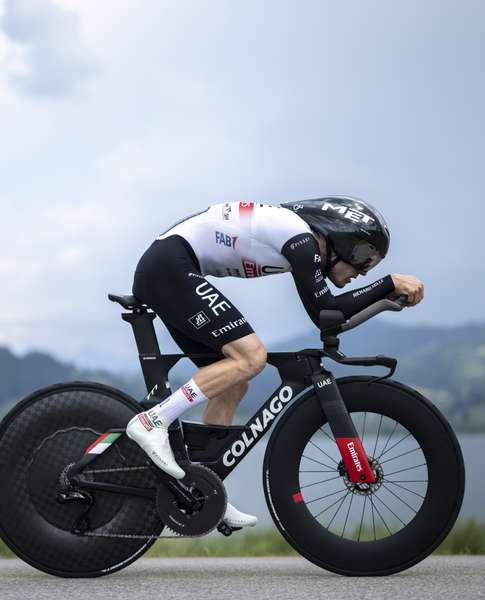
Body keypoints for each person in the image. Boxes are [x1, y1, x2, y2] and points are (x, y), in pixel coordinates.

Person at [126, 196, 425, 529]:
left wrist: (382, 295)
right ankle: (153, 421)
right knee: (252, 357)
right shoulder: (302, 241)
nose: (363, 270)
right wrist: (387, 284)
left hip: (169, 266)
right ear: (338, 239)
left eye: (372, 265)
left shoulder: (299, 237)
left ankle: (198, 486)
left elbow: (330, 317)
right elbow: (325, 311)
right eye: (361, 257)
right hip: (168, 266)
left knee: (234, 381)